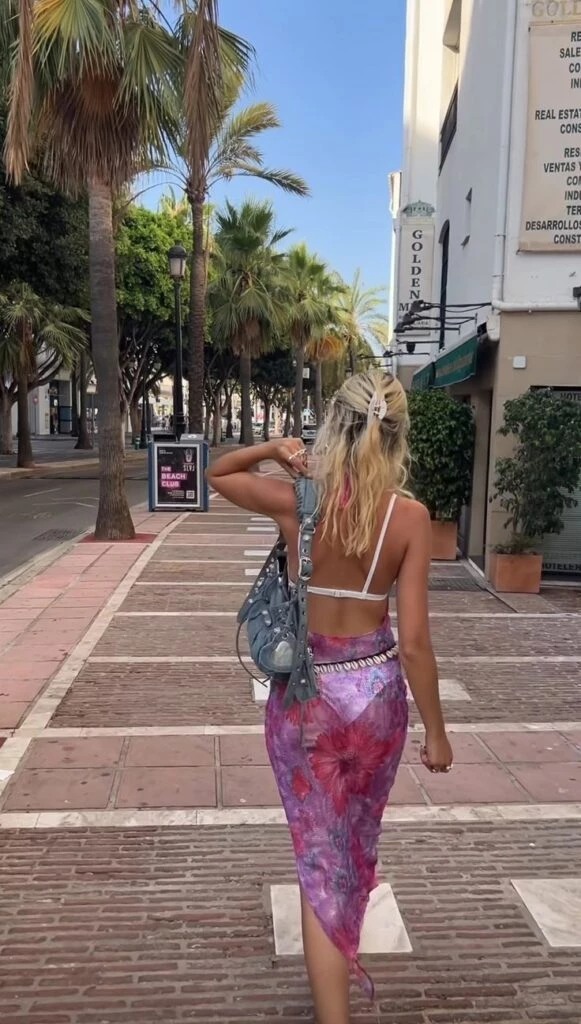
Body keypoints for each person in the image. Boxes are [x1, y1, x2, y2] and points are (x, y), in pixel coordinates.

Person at [207, 369, 453, 1024]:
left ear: (333, 428)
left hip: (306, 699)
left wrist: (274, 448)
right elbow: (416, 643)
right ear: (396, 436)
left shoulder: (301, 501)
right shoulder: (409, 518)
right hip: (374, 696)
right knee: (351, 846)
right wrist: (437, 732)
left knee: (320, 856)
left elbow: (219, 473)